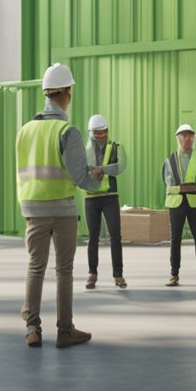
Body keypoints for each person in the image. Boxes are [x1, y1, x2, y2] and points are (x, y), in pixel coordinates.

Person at [15, 63, 103, 348]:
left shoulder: (24, 131)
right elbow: (80, 178)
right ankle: (65, 331)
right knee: (63, 270)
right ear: (67, 92)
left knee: (35, 267)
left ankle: (32, 329)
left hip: (32, 209)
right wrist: (98, 178)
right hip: (62, 209)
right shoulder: (68, 131)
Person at [82, 114, 127, 290]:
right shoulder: (83, 151)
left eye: (103, 132)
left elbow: (121, 165)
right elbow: (79, 170)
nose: (101, 135)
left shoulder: (115, 147)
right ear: (90, 133)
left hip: (110, 196)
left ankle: (118, 275)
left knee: (115, 236)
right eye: (97, 133)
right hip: (91, 197)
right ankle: (92, 274)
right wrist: (90, 172)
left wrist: (101, 169)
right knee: (93, 237)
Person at [162, 124, 196, 286]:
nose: (188, 139)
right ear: (178, 138)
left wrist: (195, 187)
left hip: (194, 202)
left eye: (190, 135)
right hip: (176, 203)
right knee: (175, 239)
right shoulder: (170, 160)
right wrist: (181, 188)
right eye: (184, 135)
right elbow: (167, 184)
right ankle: (174, 274)